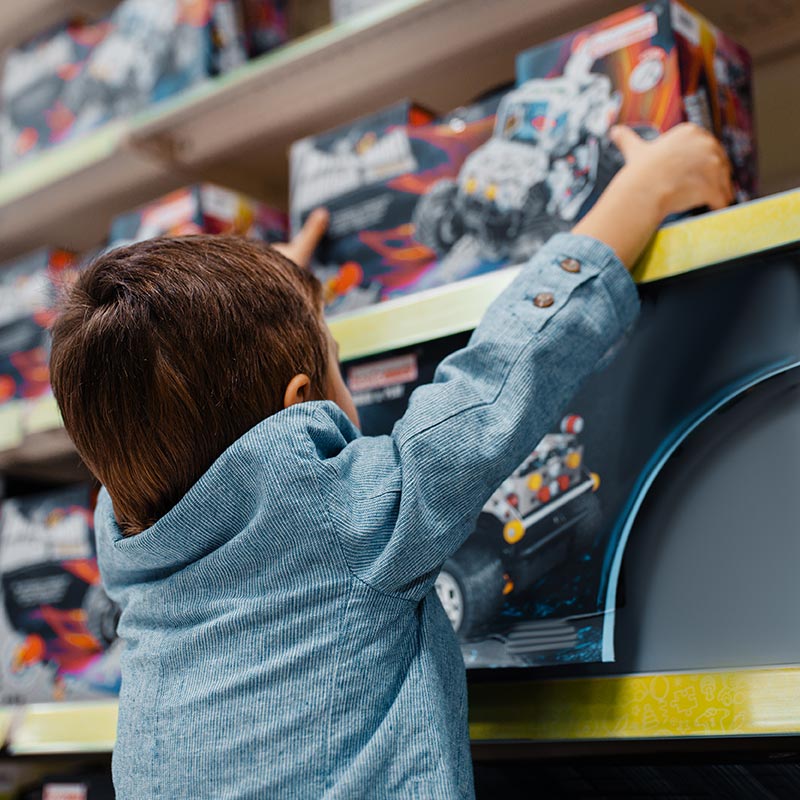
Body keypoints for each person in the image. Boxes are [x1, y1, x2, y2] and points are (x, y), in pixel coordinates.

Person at [49, 123, 732, 799]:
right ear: (302, 401)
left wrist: (255, 303)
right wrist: (644, 191)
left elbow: (190, 412)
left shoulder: (139, 575)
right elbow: (498, 381)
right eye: (336, 366)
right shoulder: (345, 523)